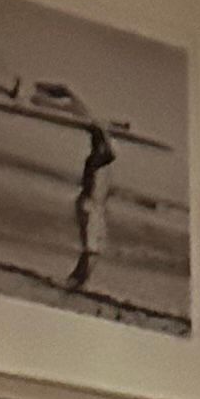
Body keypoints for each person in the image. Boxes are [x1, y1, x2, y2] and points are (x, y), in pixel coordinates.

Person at [66, 120, 117, 296]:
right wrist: (103, 131)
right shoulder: (97, 160)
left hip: (93, 205)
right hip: (90, 205)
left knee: (93, 249)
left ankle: (77, 279)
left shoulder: (96, 160)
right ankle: (77, 281)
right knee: (92, 249)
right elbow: (110, 153)